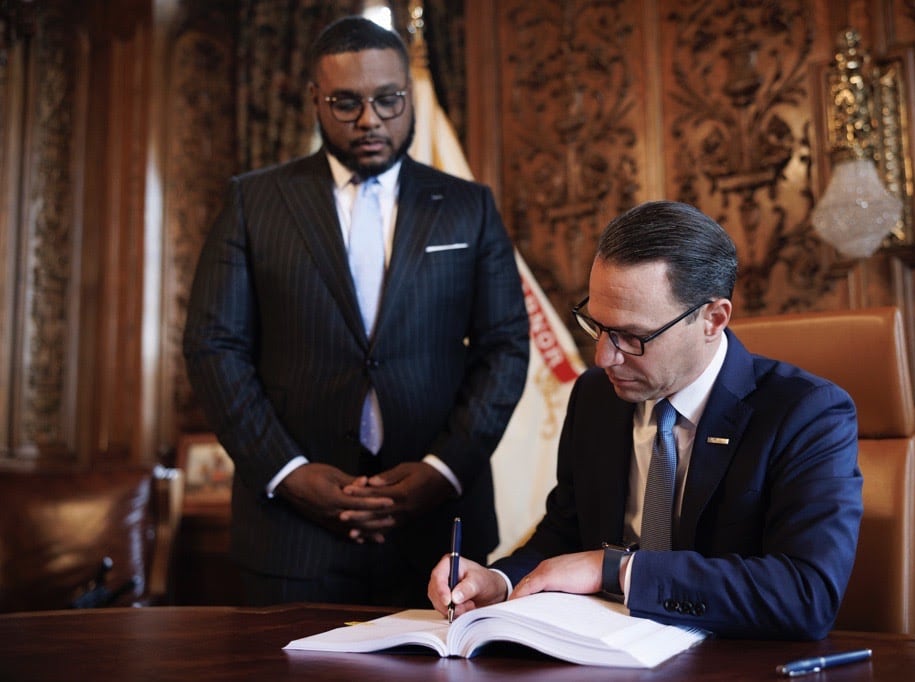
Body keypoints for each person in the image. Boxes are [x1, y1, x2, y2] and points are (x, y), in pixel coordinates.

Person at [184, 16, 530, 608]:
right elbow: (214, 347)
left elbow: (505, 346)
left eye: (388, 100)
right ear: (315, 99)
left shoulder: (469, 207)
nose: (369, 119)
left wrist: (442, 469)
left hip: (440, 531)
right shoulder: (253, 201)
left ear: (409, 97)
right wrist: (288, 472)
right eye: (345, 102)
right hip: (289, 537)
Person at [428, 201, 862, 640]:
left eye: (632, 337)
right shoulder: (595, 396)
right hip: (603, 656)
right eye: (596, 326)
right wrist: (496, 582)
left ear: (713, 319)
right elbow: (566, 533)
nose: (604, 357)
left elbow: (806, 595)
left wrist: (616, 570)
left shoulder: (808, 414)